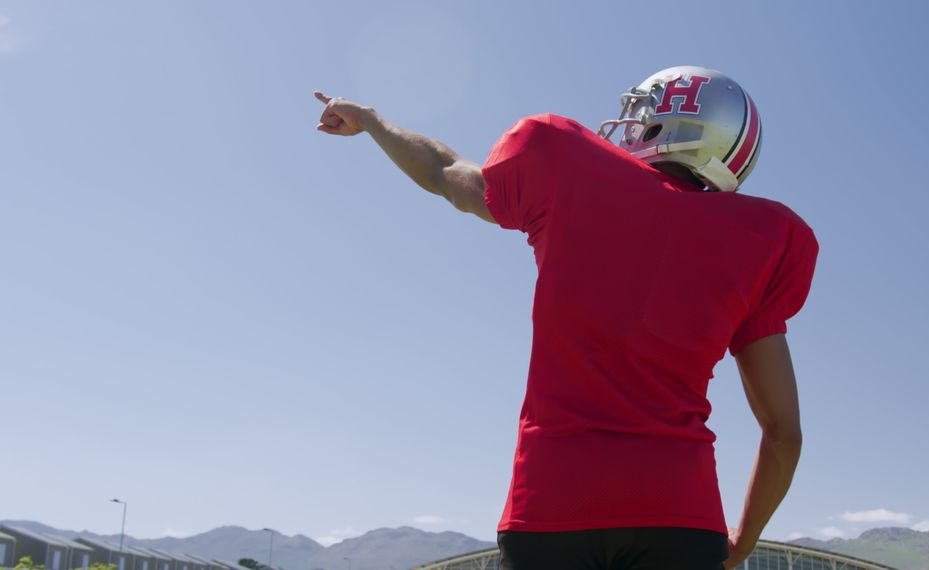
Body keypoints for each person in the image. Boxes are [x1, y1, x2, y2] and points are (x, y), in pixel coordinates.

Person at [313, 65, 818, 570]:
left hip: (553, 504)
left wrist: (374, 122)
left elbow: (443, 172)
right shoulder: (765, 242)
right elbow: (782, 433)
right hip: (682, 516)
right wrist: (742, 542)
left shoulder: (562, 160)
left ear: (669, 123)